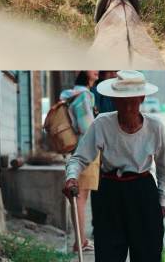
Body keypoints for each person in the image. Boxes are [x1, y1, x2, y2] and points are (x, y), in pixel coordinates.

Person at [63, 70, 165, 261]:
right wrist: (71, 177)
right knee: (108, 254)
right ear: (114, 100)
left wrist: (161, 201)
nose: (127, 106)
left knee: (148, 254)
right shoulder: (102, 124)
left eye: (132, 100)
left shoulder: (155, 127)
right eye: (122, 100)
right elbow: (79, 158)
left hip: (143, 193)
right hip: (109, 194)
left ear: (142, 98)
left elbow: (164, 169)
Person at [60, 70, 100, 254]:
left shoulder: (71, 94)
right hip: (86, 153)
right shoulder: (83, 96)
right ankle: (81, 242)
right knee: (81, 199)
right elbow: (87, 128)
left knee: (77, 199)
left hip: (76, 151)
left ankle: (80, 240)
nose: (97, 71)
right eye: (93, 68)